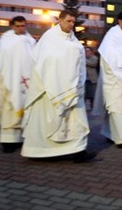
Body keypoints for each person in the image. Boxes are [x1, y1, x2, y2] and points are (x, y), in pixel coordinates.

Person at [21, 10, 95, 162]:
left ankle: (79, 152)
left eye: (73, 22)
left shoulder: (73, 41)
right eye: (68, 21)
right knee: (45, 122)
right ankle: (39, 152)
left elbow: (78, 63)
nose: (71, 24)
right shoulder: (49, 38)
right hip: (50, 88)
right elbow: (45, 61)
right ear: (60, 20)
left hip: (72, 88)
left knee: (77, 121)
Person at [93, 12, 122, 148]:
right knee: (116, 109)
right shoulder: (112, 36)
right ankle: (121, 139)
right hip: (115, 79)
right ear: (119, 21)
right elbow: (109, 55)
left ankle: (110, 134)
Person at [0, 16, 36, 153]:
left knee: (26, 108)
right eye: (18, 26)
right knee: (8, 110)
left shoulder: (30, 40)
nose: (21, 28)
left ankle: (20, 139)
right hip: (8, 80)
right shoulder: (5, 42)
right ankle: (7, 141)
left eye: (23, 26)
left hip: (26, 80)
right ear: (12, 26)